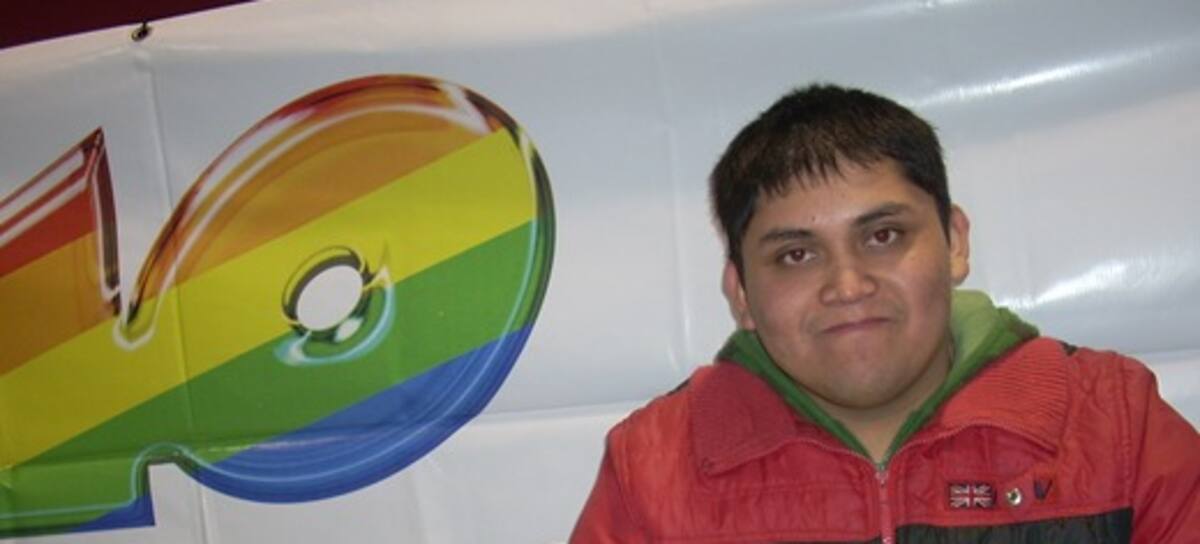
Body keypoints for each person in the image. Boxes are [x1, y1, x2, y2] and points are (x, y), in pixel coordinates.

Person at [571, 84, 1200, 543]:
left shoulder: (1117, 424)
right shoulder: (653, 466)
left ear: (954, 242)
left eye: (883, 236)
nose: (847, 285)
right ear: (740, 293)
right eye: (795, 255)